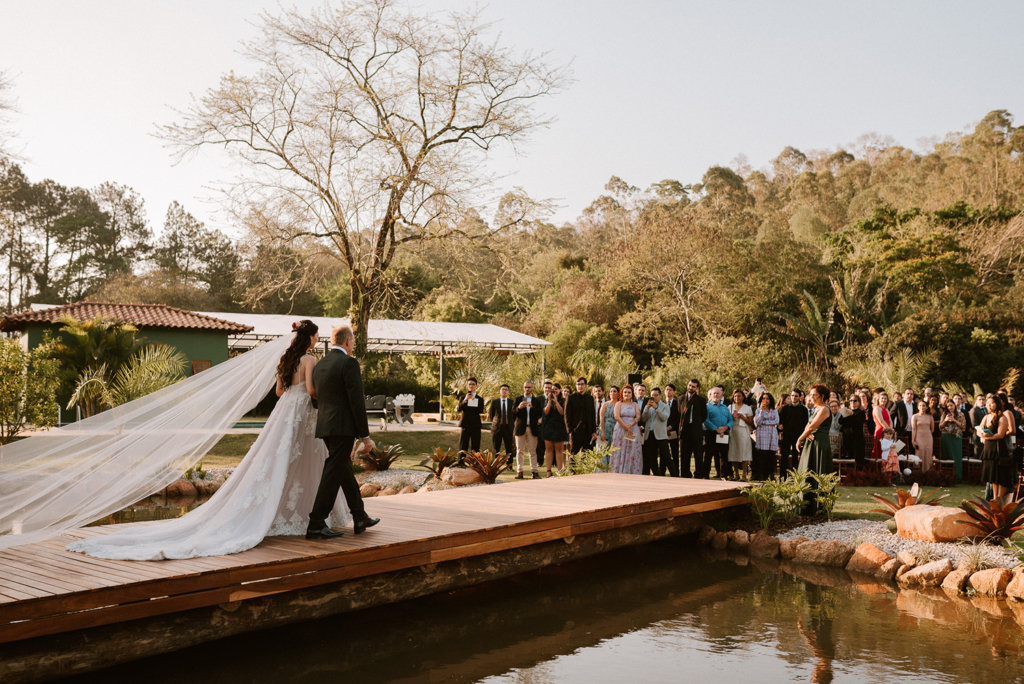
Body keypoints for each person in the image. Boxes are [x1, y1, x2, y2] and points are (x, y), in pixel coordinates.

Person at [67, 321, 362, 560]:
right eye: (315, 336)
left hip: (283, 412)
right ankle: (312, 516)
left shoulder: (285, 359)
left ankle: (301, 512)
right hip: (303, 412)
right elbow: (311, 391)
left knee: (276, 458)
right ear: (309, 338)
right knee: (308, 459)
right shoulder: (310, 359)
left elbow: (278, 393)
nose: (315, 340)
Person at [795, 384, 834, 516]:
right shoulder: (815, 409)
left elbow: (811, 427)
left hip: (820, 445)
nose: (811, 397)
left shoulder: (824, 409)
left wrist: (800, 439)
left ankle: (818, 507)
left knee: (818, 471)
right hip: (810, 443)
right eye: (810, 395)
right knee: (807, 470)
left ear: (822, 396)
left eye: (814, 395)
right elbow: (808, 426)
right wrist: (806, 434)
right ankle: (805, 505)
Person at [979, 395, 1015, 500]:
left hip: (998, 449)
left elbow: (1000, 434)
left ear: (998, 404)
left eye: (992, 403)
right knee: (993, 477)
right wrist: (981, 434)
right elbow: (979, 429)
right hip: (988, 450)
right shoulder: (986, 417)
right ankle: (994, 499)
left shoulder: (1002, 417)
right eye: (988, 403)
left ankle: (999, 499)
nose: (989, 405)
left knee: (1001, 476)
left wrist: (988, 438)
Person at [512, 381, 543, 479]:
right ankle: (519, 471)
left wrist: (532, 407)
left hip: (532, 428)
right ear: (523, 387)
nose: (527, 389)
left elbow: (540, 413)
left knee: (532, 451)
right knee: (519, 451)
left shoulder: (536, 401)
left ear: (532, 388)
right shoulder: (518, 399)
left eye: (529, 387)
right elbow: (513, 412)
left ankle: (534, 471)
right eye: (525, 387)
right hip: (520, 428)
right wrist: (519, 407)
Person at [610, 384, 642, 474]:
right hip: (620, 429)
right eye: (625, 392)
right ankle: (618, 471)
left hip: (632, 430)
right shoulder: (618, 404)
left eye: (629, 392)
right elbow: (616, 416)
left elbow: (638, 417)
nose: (627, 394)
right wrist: (625, 426)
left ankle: (631, 471)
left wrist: (630, 425)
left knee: (632, 450)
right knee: (620, 450)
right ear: (622, 394)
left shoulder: (635, 405)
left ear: (632, 394)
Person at [641, 387, 673, 476]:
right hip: (649, 435)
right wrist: (646, 409)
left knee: (666, 457)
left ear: (660, 395)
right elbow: (643, 418)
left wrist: (656, 408)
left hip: (661, 435)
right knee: (652, 458)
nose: (653, 397)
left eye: (656, 395)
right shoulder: (648, 406)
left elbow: (664, 418)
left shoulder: (665, 406)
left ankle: (675, 475)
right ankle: (656, 475)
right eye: (652, 396)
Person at [703, 386, 733, 480]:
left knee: (723, 455)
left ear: (721, 395)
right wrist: (716, 429)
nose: (716, 395)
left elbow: (731, 420)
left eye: (717, 393)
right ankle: (705, 475)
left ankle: (723, 475)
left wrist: (725, 428)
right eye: (714, 393)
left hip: (723, 434)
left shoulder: (725, 407)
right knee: (708, 454)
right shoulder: (707, 406)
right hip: (711, 433)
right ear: (710, 395)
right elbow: (706, 420)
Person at [680, 379, 707, 478]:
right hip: (685, 430)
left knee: (698, 455)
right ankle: (685, 474)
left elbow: (704, 416)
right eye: (690, 385)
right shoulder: (681, 399)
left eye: (693, 386)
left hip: (696, 430)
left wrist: (696, 423)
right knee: (684, 455)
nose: (691, 388)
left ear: (697, 388)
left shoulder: (701, 400)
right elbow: (680, 414)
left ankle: (699, 475)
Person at [779, 389, 809, 474]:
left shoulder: (804, 410)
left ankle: (795, 477)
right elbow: (782, 422)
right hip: (787, 435)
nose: (794, 397)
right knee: (784, 456)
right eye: (792, 395)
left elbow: (805, 423)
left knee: (796, 457)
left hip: (798, 436)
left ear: (800, 397)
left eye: (796, 396)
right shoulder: (785, 409)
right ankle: (782, 477)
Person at [565, 377, 597, 455]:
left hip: (588, 431)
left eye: (582, 384)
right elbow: (567, 414)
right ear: (576, 386)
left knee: (587, 454)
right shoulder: (570, 398)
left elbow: (592, 415)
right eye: (578, 384)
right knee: (574, 454)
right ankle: (572, 468)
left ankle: (586, 468)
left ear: (586, 385)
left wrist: (593, 431)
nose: (580, 386)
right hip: (575, 430)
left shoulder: (590, 398)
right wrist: (570, 429)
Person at [727, 388, 753, 481]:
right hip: (733, 431)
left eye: (739, 396)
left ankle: (744, 476)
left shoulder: (747, 408)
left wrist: (742, 417)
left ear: (742, 397)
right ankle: (736, 475)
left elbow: (751, 422)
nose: (737, 398)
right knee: (734, 452)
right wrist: (731, 418)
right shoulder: (730, 407)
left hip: (743, 431)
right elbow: (726, 420)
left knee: (745, 452)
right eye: (735, 396)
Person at [542, 382, 568, 476]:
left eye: (556, 389)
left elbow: (562, 413)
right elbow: (546, 412)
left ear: (560, 390)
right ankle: (548, 472)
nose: (554, 391)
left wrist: (556, 401)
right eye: (552, 389)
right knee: (548, 449)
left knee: (559, 450)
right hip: (548, 427)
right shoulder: (547, 400)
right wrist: (550, 401)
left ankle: (560, 471)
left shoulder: (564, 400)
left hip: (560, 428)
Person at [753, 392, 779, 480]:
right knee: (762, 455)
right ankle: (762, 475)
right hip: (762, 435)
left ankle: (771, 474)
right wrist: (761, 411)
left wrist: (765, 422)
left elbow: (776, 422)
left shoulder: (774, 410)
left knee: (771, 455)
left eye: (767, 398)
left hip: (772, 435)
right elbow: (758, 422)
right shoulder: (758, 411)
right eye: (764, 398)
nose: (766, 400)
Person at [488, 384, 516, 460]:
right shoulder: (495, 402)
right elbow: (491, 415)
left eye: (506, 389)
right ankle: (495, 465)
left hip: (508, 428)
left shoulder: (512, 402)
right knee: (496, 447)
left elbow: (514, 415)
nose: (504, 391)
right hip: (497, 428)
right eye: (502, 389)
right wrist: (496, 423)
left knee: (509, 447)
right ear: (500, 391)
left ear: (508, 392)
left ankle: (509, 465)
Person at [939, 399, 965, 478]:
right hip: (946, 436)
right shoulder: (944, 414)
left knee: (956, 456)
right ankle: (947, 477)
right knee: (946, 456)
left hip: (956, 437)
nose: (950, 407)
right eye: (948, 406)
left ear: (955, 405)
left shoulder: (961, 414)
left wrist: (954, 420)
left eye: (951, 405)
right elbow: (940, 427)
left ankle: (957, 477)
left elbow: (963, 426)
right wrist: (945, 420)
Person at [838, 395, 867, 468]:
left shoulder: (861, 412)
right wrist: (843, 413)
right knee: (848, 460)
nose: (852, 402)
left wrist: (852, 414)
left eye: (855, 400)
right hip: (847, 439)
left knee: (858, 461)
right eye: (851, 400)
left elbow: (859, 423)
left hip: (857, 440)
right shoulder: (846, 411)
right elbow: (840, 421)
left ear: (859, 402)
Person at [457, 378, 484, 453]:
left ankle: (474, 462)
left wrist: (474, 400)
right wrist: (465, 400)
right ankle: (461, 462)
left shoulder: (480, 399)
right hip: (465, 424)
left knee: (475, 445)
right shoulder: (462, 398)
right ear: (467, 385)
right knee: (463, 444)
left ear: (476, 385)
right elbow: (459, 408)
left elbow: (480, 410)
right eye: (469, 384)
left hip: (476, 425)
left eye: (473, 384)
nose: (471, 386)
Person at [911, 400, 935, 476]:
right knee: (919, 454)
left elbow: (932, 429)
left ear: (927, 407)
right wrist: (913, 440)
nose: (922, 407)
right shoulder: (915, 416)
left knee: (928, 455)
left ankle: (928, 474)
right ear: (918, 407)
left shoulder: (930, 416)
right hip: (918, 437)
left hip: (928, 438)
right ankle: (918, 474)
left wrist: (926, 434)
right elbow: (913, 429)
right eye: (920, 405)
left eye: (924, 405)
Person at [598, 385, 619, 470]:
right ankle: (603, 470)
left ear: (618, 393)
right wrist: (603, 432)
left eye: (614, 391)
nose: (612, 393)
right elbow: (601, 418)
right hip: (605, 428)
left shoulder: (620, 404)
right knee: (603, 450)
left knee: (614, 450)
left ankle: (613, 470)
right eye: (611, 391)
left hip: (616, 429)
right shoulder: (605, 404)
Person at [663, 384, 681, 476]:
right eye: (666, 389)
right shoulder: (661, 403)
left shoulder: (678, 403)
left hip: (673, 431)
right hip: (662, 431)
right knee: (663, 453)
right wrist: (664, 428)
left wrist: (670, 427)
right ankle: (662, 472)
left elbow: (679, 418)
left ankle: (676, 473)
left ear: (674, 392)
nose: (668, 391)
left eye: (670, 390)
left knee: (675, 453)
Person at [872, 391, 893, 460]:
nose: (884, 400)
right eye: (882, 398)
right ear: (879, 399)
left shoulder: (886, 409)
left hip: (888, 431)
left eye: (885, 398)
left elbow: (890, 420)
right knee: (879, 448)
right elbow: (881, 421)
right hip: (881, 431)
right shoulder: (877, 408)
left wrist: (891, 429)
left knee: (888, 449)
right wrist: (889, 430)